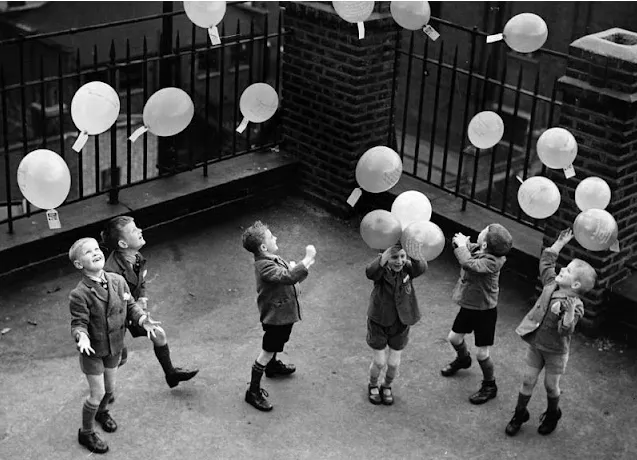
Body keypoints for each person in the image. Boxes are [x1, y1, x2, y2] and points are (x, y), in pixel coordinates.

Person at [69, 237, 160, 454]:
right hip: (94, 351)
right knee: (97, 392)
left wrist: (141, 319)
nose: (95, 253)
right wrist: (81, 336)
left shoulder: (118, 280)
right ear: (79, 265)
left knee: (110, 389)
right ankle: (86, 432)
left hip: (114, 346)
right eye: (88, 252)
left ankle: (102, 412)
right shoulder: (79, 294)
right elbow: (78, 322)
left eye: (97, 249)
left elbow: (130, 306)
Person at [506, 228, 596, 436]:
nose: (562, 269)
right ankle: (520, 413)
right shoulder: (551, 284)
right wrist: (559, 244)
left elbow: (566, 331)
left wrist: (568, 312)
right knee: (528, 380)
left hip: (555, 351)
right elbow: (546, 263)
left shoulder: (576, 305)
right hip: (537, 345)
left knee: (550, 386)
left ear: (574, 284)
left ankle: (553, 412)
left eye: (568, 270)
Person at [102, 216, 198, 390]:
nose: (139, 230)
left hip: (133, 312)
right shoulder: (112, 272)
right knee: (118, 359)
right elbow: (113, 303)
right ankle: (101, 386)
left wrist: (142, 298)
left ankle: (171, 374)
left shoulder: (136, 257)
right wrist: (136, 311)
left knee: (158, 334)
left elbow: (141, 280)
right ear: (123, 244)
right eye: (133, 230)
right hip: (115, 319)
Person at [241, 221, 316, 411]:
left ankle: (272, 367)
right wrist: (306, 260)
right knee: (267, 350)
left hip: (282, 314)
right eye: (271, 236)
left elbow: (287, 275)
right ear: (264, 247)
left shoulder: (271, 258)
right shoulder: (264, 265)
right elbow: (288, 277)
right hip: (276, 316)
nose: (276, 237)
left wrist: (295, 268)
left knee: (280, 341)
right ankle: (253, 391)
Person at [441, 223, 513, 405]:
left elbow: (469, 263)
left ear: (486, 245)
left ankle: (490, 385)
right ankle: (463, 358)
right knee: (454, 338)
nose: (479, 233)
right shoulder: (481, 250)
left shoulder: (493, 262)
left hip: (485, 312)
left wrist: (463, 247)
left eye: (483, 233)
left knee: (482, 354)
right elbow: (468, 250)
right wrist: (460, 243)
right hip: (469, 306)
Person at [365, 243, 427, 405]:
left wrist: (414, 254)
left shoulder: (408, 269)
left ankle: (387, 386)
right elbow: (370, 272)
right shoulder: (381, 270)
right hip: (379, 321)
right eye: (394, 257)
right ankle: (372, 384)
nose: (399, 261)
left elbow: (421, 268)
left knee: (393, 363)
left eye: (402, 256)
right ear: (385, 257)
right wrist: (382, 259)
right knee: (379, 362)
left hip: (401, 322)